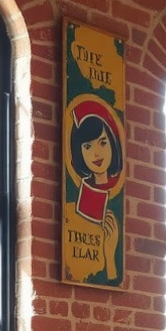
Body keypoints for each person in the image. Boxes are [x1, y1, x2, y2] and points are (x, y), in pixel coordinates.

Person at [68, 100, 123, 281]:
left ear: (112, 143)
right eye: (87, 146)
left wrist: (110, 256)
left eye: (102, 142)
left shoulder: (116, 194)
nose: (96, 154)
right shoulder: (82, 198)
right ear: (79, 152)